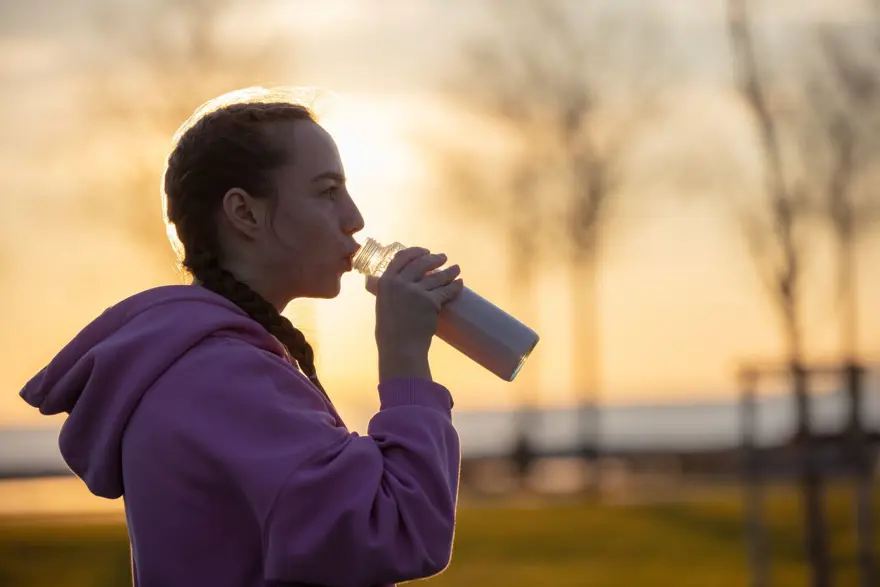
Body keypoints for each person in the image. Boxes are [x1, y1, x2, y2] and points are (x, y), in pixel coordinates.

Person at [19, 87, 465, 587]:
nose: (354, 218)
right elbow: (399, 531)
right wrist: (404, 354)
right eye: (327, 191)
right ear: (244, 213)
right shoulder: (221, 379)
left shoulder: (203, 364)